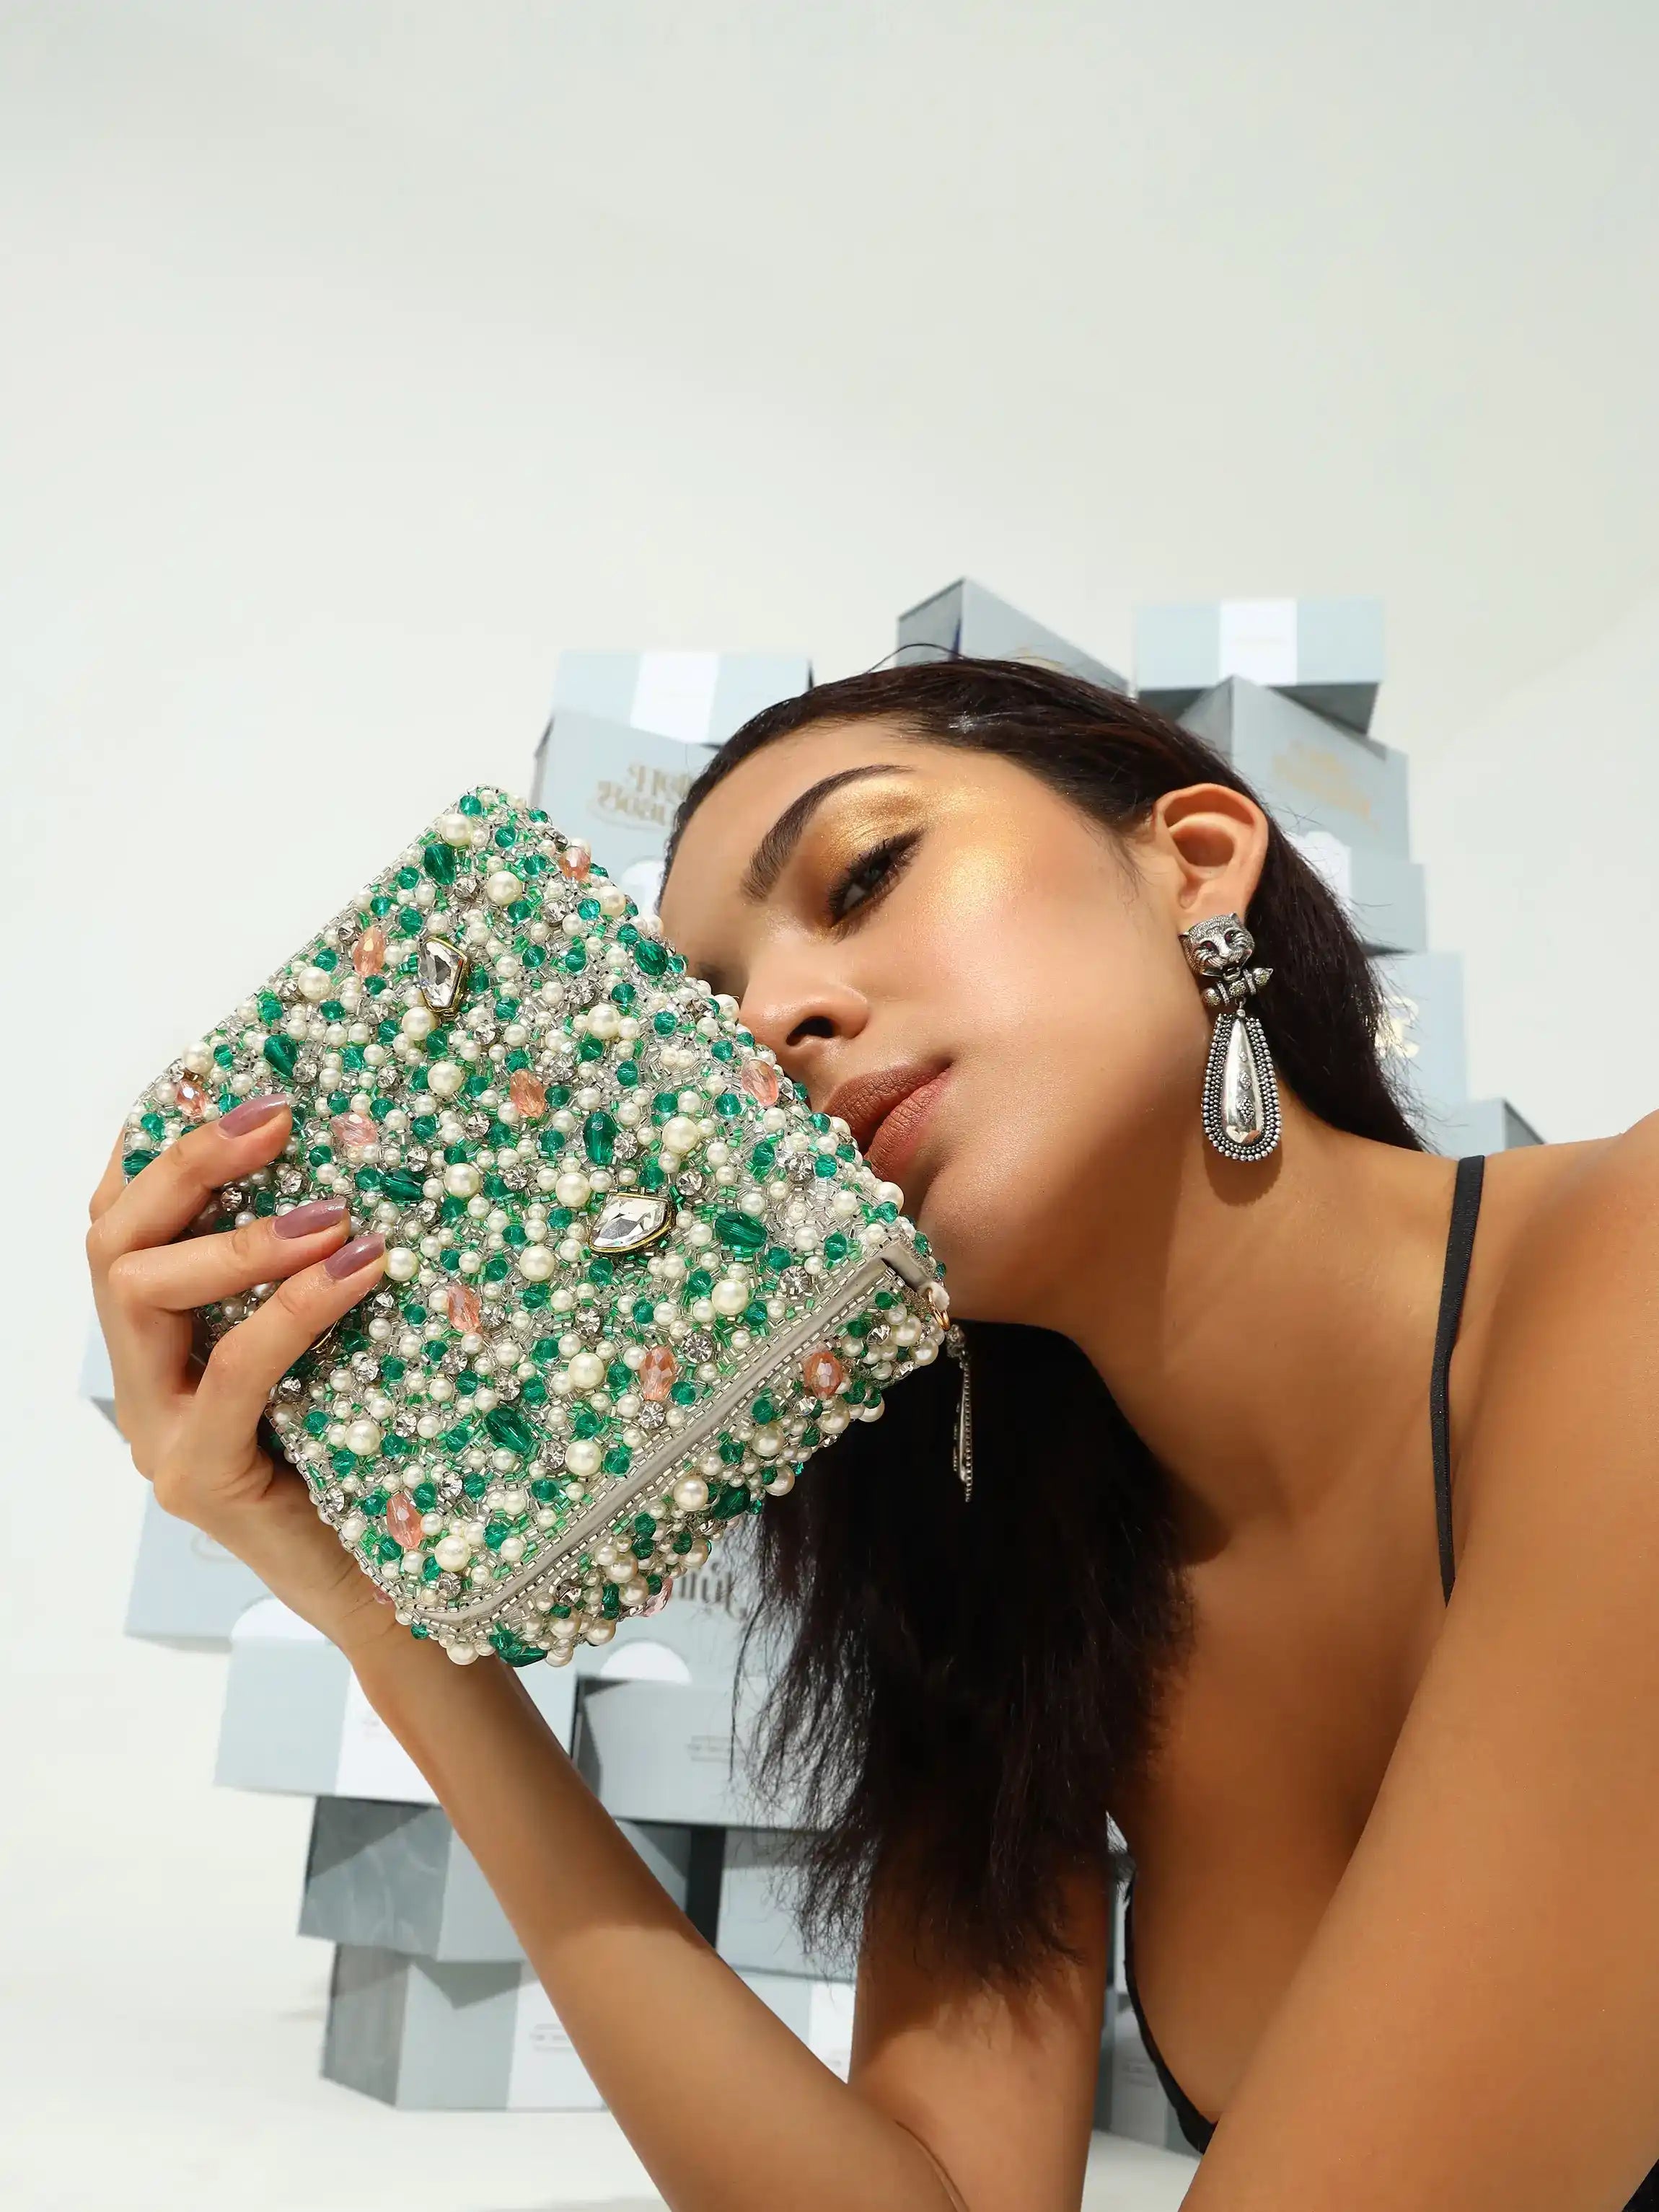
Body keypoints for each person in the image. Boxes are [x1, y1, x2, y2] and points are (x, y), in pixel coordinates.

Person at [85, 658, 1659, 2212]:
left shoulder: (1631, 1274)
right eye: (703, 1032)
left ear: (1193, 859)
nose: (776, 1019)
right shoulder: (1031, 1618)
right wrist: (391, 1621)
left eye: (867, 872)